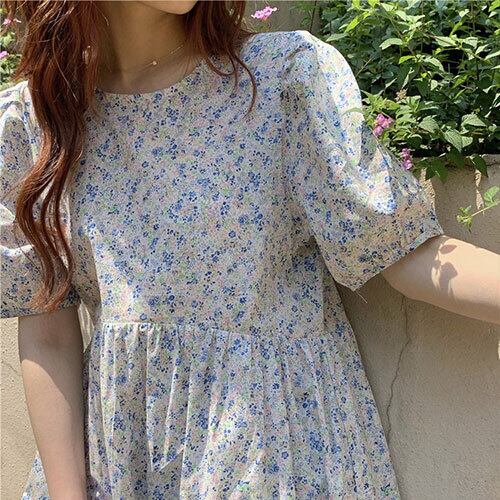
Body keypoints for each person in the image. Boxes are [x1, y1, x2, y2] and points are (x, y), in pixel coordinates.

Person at [1, 1, 498, 499]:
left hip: (272, 451)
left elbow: (400, 249)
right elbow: (48, 332)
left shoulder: (282, 78)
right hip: (116, 461)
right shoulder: (37, 120)